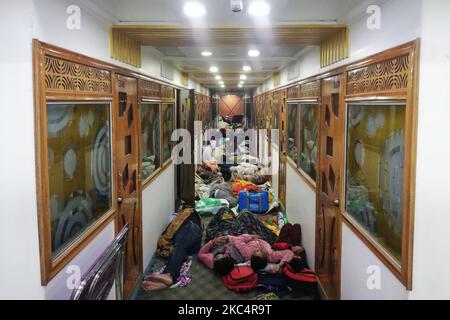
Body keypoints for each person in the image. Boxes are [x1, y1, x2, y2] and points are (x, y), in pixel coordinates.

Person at [142, 210, 202, 291]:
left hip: (191, 228)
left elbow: (170, 231)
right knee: (180, 249)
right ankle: (164, 283)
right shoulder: (191, 219)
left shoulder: (191, 213)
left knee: (180, 245)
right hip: (194, 245)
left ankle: (169, 274)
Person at [198, 234, 294, 276]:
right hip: (265, 239)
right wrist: (279, 265)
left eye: (219, 255)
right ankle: (291, 244)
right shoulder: (270, 255)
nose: (258, 250)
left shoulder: (212, 262)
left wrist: (212, 242)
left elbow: (200, 254)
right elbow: (289, 253)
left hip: (234, 239)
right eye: (259, 252)